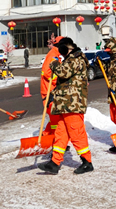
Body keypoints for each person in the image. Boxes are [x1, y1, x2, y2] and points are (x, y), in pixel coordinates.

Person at [38, 37, 93, 175]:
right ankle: (55, 163)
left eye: (62, 49)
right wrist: (54, 94)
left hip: (73, 104)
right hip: (65, 104)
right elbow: (66, 82)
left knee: (76, 133)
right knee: (61, 133)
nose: (60, 53)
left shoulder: (77, 59)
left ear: (68, 48)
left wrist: (54, 63)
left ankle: (87, 162)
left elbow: (63, 73)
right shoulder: (70, 60)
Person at [40, 36, 64, 137]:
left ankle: (47, 135)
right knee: (55, 118)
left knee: (56, 117)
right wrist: (57, 80)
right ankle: (55, 139)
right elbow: (46, 72)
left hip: (52, 89)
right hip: (49, 90)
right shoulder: (53, 55)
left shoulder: (56, 55)